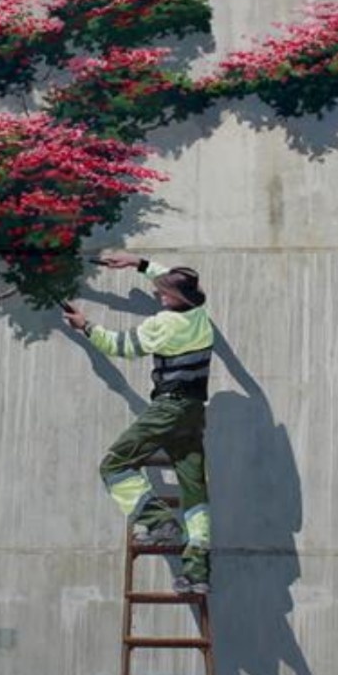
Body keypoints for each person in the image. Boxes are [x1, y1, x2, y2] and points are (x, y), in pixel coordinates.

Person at [62, 252, 213, 595]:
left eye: (164, 292)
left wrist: (85, 326)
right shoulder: (201, 317)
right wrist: (139, 263)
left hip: (168, 410)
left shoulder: (163, 325)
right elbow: (172, 281)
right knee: (195, 492)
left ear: (177, 299)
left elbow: (121, 347)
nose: (159, 294)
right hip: (193, 412)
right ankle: (197, 573)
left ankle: (158, 521)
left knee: (114, 466)